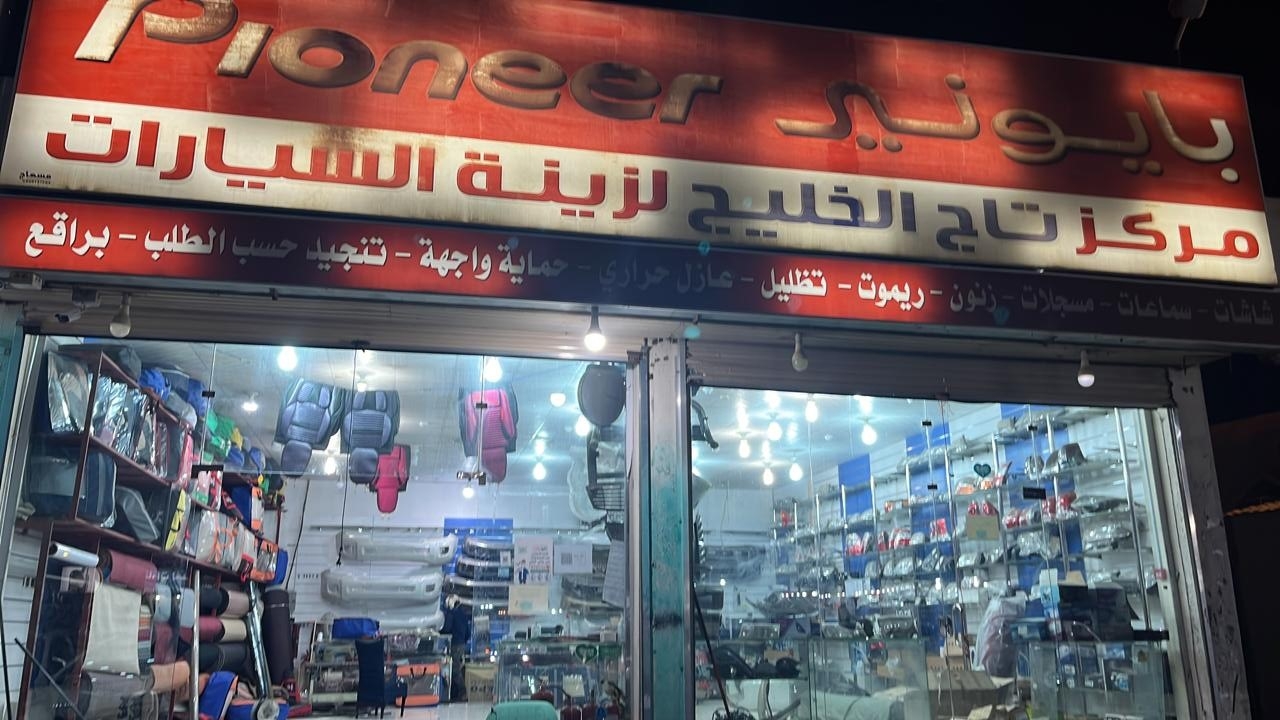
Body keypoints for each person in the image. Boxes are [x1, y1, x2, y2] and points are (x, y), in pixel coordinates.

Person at [442, 595, 471, 702]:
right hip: (461, 645)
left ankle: (463, 692)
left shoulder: (451, 614)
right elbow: (468, 633)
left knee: (454, 670)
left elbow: (447, 628)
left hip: (454, 644)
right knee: (458, 668)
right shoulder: (463, 614)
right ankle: (457, 693)